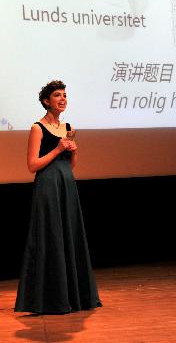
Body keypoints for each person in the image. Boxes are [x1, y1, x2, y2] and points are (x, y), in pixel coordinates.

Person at [14, 80, 102, 314]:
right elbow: (33, 165)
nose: (63, 99)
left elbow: (70, 166)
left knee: (69, 235)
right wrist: (58, 149)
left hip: (67, 186)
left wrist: (73, 151)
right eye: (57, 95)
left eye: (65, 95)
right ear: (46, 101)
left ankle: (74, 295)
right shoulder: (37, 128)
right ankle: (50, 299)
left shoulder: (68, 127)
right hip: (47, 186)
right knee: (50, 237)